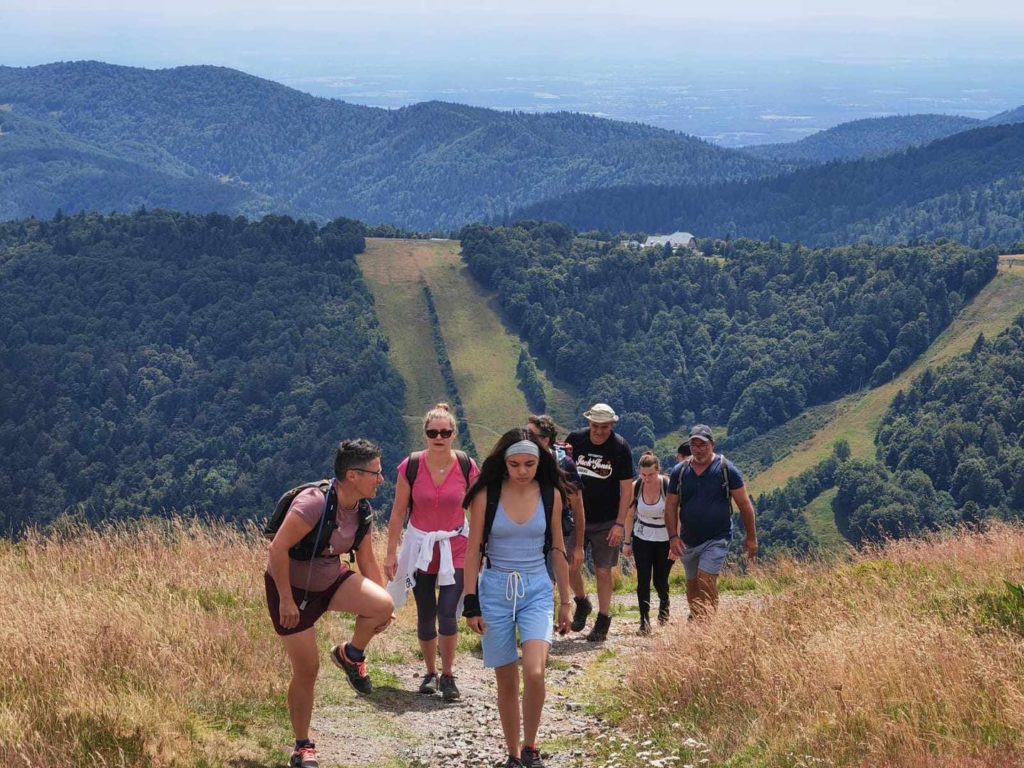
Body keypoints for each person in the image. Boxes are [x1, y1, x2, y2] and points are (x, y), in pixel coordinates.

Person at [265, 439, 396, 768]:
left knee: (381, 605)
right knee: (307, 670)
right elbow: (277, 550)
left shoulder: (361, 509)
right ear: (353, 475)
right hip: (291, 590)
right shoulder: (313, 503)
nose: (381, 480)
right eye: (376, 473)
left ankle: (350, 655)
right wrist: (285, 600)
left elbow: (365, 559)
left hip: (330, 581)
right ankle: (302, 746)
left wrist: (384, 608)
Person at [462, 429, 573, 768]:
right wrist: (471, 601)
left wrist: (566, 600)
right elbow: (473, 551)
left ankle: (531, 746)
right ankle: (512, 754)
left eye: (529, 464)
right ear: (504, 463)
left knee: (535, 672)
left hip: (537, 588)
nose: (522, 470)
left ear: (540, 463)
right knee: (507, 678)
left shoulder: (551, 494)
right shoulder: (487, 495)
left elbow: (557, 548)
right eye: (514, 464)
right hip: (495, 589)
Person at [384, 403, 479, 702]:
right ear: (425, 434)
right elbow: (399, 512)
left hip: (457, 545)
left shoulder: (467, 465)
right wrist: (391, 552)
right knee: (426, 611)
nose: (439, 437)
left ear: (454, 434)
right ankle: (430, 673)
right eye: (433, 432)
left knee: (447, 611)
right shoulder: (410, 466)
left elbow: (478, 509)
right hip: (421, 545)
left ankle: (448, 674)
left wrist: (482, 546)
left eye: (445, 432)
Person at [665, 425, 758, 620]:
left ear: (712, 445)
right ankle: (698, 621)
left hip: (718, 536)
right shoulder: (679, 472)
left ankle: (710, 623)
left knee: (705, 579)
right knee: (691, 583)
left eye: (702, 445)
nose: (698, 449)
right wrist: (673, 536)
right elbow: (671, 505)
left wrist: (751, 538)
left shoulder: (727, 469)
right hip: (688, 539)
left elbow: (744, 504)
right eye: (694, 445)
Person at [565, 403, 634, 641]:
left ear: (612, 425)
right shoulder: (576, 440)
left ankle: (603, 619)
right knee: (569, 564)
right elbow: (563, 472)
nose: (599, 431)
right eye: (595, 426)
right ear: (589, 423)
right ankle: (582, 601)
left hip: (607, 519)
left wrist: (620, 524)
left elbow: (626, 490)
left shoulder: (620, 447)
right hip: (577, 517)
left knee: (603, 570)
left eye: (604, 427)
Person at [526, 414, 586, 582]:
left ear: (546, 440)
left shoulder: (565, 464)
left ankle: (572, 602)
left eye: (531, 436)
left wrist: (579, 546)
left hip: (557, 534)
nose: (525, 439)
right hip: (527, 532)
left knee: (547, 583)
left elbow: (578, 505)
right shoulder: (519, 462)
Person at [622, 451, 674, 635]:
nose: (647, 478)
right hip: (642, 537)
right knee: (643, 580)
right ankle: (644, 622)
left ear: (658, 470)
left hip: (665, 539)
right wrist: (627, 541)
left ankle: (664, 606)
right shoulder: (636, 487)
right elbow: (629, 514)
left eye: (651, 474)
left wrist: (677, 542)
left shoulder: (667, 486)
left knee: (660, 579)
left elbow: (679, 515)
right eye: (643, 475)